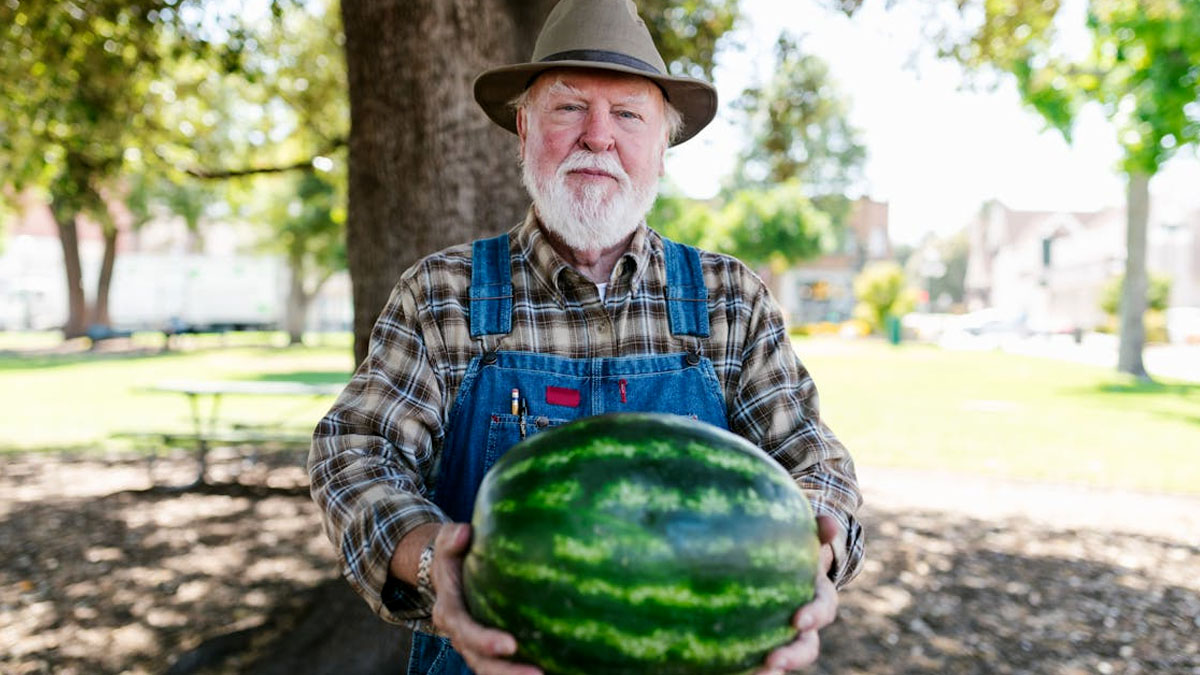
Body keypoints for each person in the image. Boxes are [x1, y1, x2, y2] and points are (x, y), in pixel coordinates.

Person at [308, 0, 864, 673]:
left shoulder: (730, 299)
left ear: (662, 144)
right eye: (569, 107)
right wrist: (433, 559)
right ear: (523, 128)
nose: (597, 137)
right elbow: (355, 452)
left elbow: (818, 465)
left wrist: (806, 563)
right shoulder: (440, 294)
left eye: (628, 114)